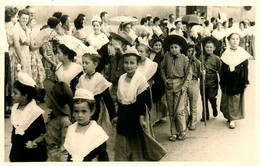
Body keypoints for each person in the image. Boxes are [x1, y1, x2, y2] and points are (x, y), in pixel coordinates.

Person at [114, 46, 155, 161]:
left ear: (137, 64)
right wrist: (117, 115)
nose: (128, 66)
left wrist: (141, 119)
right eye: (126, 63)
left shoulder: (140, 79)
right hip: (123, 114)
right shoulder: (122, 78)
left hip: (136, 114)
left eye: (132, 63)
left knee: (135, 143)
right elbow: (120, 100)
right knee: (122, 143)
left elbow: (142, 102)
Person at [9, 72, 47, 162]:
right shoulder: (15, 108)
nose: (12, 95)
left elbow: (41, 135)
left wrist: (35, 143)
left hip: (31, 154)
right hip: (16, 151)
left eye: (15, 93)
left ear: (25, 95)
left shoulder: (36, 113)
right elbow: (15, 130)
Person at [76, 51, 117, 133]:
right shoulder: (82, 78)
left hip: (94, 109)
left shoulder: (99, 79)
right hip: (82, 108)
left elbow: (107, 98)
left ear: (95, 64)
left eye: (86, 63)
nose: (83, 65)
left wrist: (113, 116)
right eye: (82, 63)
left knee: (92, 129)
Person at [64, 88, 109, 161]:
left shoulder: (97, 132)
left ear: (92, 111)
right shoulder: (71, 129)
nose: (79, 115)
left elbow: (103, 158)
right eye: (76, 111)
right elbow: (69, 154)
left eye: (84, 111)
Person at [161, 35, 190, 141]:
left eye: (176, 47)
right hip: (169, 84)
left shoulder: (184, 59)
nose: (173, 49)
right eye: (172, 47)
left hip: (180, 84)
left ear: (180, 48)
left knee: (179, 110)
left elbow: (188, 75)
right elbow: (162, 68)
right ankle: (173, 132)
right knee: (171, 110)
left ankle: (182, 130)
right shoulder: (167, 56)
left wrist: (184, 86)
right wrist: (165, 79)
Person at [220, 32, 250, 129]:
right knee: (227, 98)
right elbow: (222, 69)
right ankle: (229, 116)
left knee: (235, 98)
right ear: (229, 41)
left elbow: (245, 68)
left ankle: (233, 119)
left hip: (238, 79)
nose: (235, 41)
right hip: (228, 79)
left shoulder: (242, 53)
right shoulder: (225, 54)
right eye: (233, 39)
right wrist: (228, 70)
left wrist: (246, 80)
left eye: (237, 39)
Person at [43, 80, 73, 161]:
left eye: (47, 96)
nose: (44, 98)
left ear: (54, 102)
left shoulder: (64, 121)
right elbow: (48, 134)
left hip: (57, 156)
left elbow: (65, 145)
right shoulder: (52, 116)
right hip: (49, 153)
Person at [200, 36, 221, 121]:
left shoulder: (217, 59)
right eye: (207, 47)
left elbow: (219, 71)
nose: (208, 49)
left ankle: (214, 106)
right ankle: (205, 115)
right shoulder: (201, 57)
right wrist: (200, 72)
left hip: (213, 79)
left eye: (210, 47)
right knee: (204, 97)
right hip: (203, 79)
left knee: (212, 97)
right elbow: (198, 67)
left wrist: (221, 81)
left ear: (214, 48)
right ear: (204, 48)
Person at [35, 17, 61, 82]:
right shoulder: (52, 34)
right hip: (48, 61)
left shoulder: (46, 37)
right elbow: (45, 54)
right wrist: (54, 63)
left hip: (51, 59)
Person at [27, 17, 47, 102]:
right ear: (30, 22)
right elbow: (32, 47)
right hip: (33, 55)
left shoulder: (30, 31)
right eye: (34, 21)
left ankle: (37, 95)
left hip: (34, 55)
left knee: (38, 75)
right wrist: (42, 43)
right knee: (37, 75)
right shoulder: (30, 32)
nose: (35, 23)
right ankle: (36, 96)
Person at [149, 38, 167, 124]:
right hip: (151, 77)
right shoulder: (148, 55)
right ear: (152, 45)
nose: (158, 47)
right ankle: (154, 116)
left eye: (159, 45)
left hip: (159, 78)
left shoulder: (162, 56)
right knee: (153, 98)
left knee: (161, 98)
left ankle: (163, 115)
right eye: (156, 45)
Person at [184, 44, 201, 130]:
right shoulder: (184, 61)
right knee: (183, 103)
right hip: (184, 82)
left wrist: (202, 73)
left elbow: (200, 74)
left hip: (194, 82)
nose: (191, 53)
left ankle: (193, 122)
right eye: (189, 51)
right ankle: (186, 119)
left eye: (193, 51)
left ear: (196, 52)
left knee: (193, 103)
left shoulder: (198, 62)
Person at [13, 9, 31, 76]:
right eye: (23, 18)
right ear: (19, 18)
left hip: (25, 52)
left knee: (26, 74)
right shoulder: (17, 28)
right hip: (20, 54)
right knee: (21, 75)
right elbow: (27, 42)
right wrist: (26, 31)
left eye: (27, 18)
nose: (25, 20)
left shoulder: (23, 27)